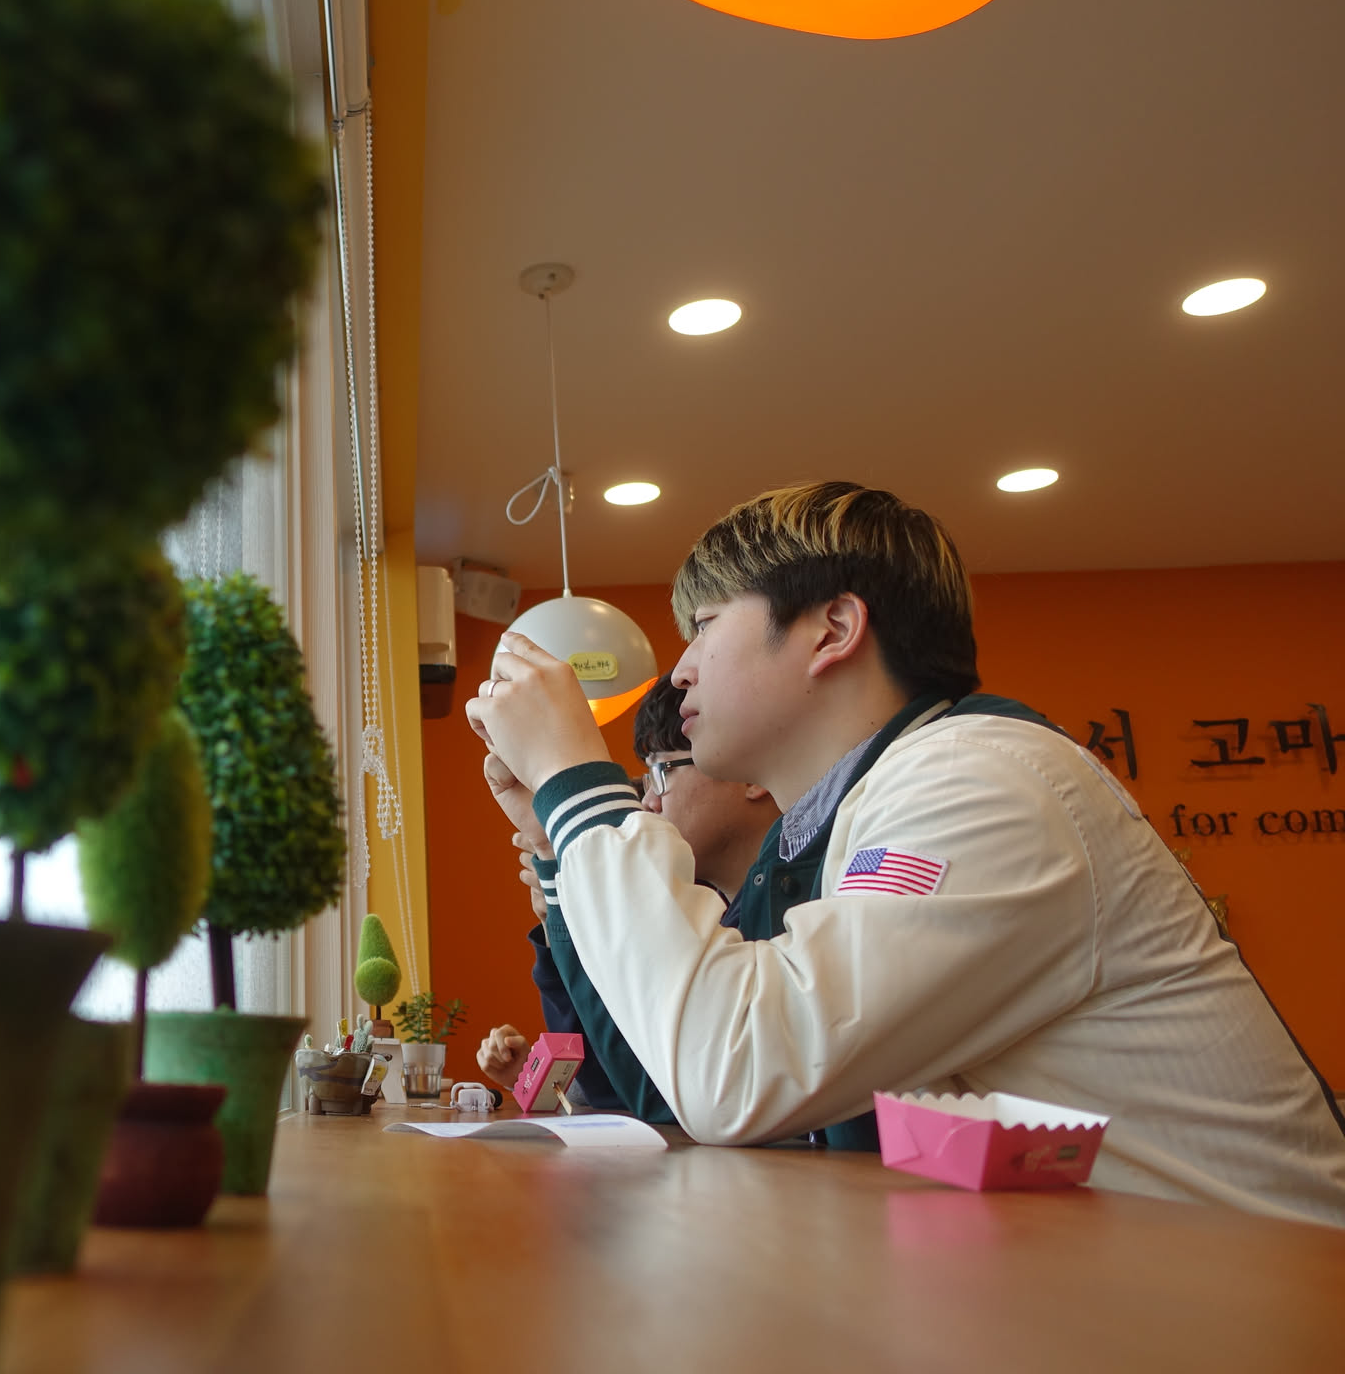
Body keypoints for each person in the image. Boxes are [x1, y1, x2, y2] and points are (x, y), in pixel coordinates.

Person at [468, 482, 1345, 1225]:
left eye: (704, 625)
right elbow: (673, 1077)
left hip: (1261, 1291)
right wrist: (552, 837)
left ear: (833, 628)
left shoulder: (979, 782)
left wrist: (575, 780)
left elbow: (734, 1072)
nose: (680, 672)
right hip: (1104, 1279)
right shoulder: (846, 819)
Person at [477, 676, 778, 1111]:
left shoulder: (782, 913)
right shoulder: (720, 911)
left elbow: (652, 1096)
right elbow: (621, 1081)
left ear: (750, 771)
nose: (649, 802)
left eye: (661, 772)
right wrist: (548, 854)